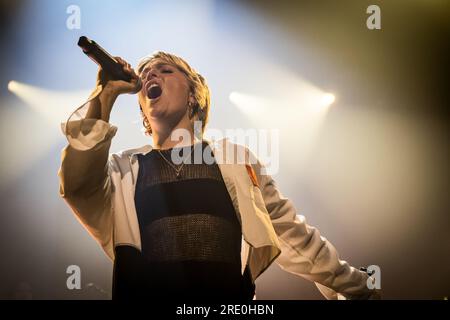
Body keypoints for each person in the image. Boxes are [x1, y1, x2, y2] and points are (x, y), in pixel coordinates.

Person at [58, 51, 379, 301]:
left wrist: (357, 287)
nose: (151, 74)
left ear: (194, 94)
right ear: (142, 108)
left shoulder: (234, 160)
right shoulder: (124, 170)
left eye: (166, 70)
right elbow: (77, 185)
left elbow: (295, 238)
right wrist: (106, 94)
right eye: (145, 75)